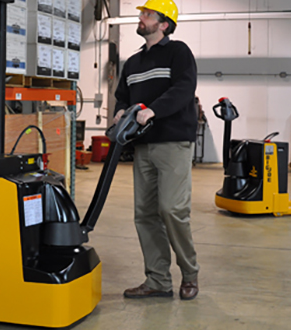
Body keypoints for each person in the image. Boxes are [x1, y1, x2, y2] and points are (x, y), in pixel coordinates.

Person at [113, 0, 199, 300]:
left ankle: (190, 274)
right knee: (145, 214)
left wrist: (153, 110)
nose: (141, 17)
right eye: (142, 13)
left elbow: (183, 89)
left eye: (147, 14)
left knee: (172, 209)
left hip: (173, 142)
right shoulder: (133, 62)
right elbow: (122, 94)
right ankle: (158, 280)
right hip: (143, 145)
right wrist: (120, 110)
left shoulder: (179, 52)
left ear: (163, 24)